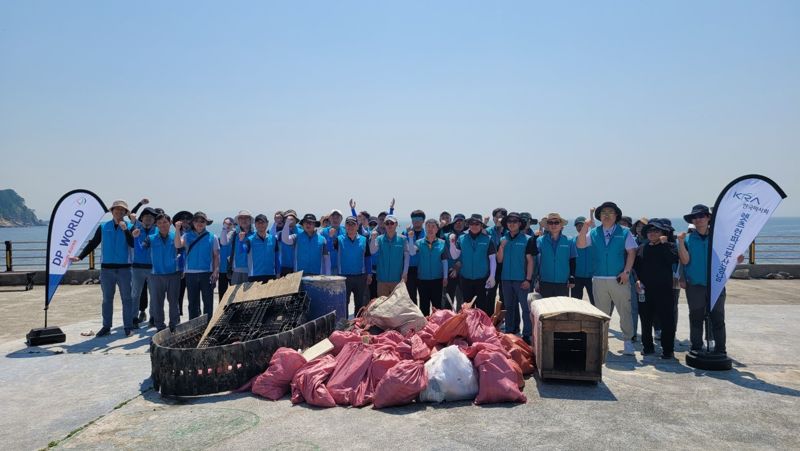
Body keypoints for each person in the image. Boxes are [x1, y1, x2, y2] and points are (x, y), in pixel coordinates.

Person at [678, 204, 743, 354]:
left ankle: (721, 349)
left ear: (708, 218)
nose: (698, 219)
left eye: (701, 216)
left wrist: (738, 258)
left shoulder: (719, 238)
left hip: (716, 284)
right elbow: (685, 261)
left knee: (718, 317)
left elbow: (732, 257)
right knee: (696, 317)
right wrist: (680, 242)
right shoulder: (687, 239)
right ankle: (696, 346)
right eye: (695, 217)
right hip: (695, 284)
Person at [576, 201, 638, 355]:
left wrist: (627, 272)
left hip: (619, 278)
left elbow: (632, 252)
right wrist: (585, 227)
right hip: (599, 278)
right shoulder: (594, 232)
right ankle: (603, 343)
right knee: (601, 313)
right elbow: (581, 244)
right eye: (604, 213)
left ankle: (627, 341)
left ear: (616, 215)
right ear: (599, 216)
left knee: (625, 310)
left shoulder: (624, 232)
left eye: (610, 212)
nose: (607, 215)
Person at [70, 200, 135, 337]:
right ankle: (106, 326)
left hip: (125, 269)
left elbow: (133, 244)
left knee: (127, 299)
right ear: (112, 211)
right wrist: (80, 257)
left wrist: (125, 230)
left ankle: (128, 326)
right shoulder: (103, 226)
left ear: (125, 213)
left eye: (122, 210)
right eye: (116, 210)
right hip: (107, 269)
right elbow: (93, 243)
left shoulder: (130, 226)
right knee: (107, 299)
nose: (119, 212)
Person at [633, 219, 679, 358]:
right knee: (645, 320)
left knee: (667, 320)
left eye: (656, 231)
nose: (652, 233)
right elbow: (637, 268)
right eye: (650, 231)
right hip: (646, 290)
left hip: (664, 290)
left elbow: (672, 260)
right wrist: (637, 281)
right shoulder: (642, 248)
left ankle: (668, 349)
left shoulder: (669, 246)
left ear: (663, 233)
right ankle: (647, 347)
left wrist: (664, 244)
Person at [496, 212, 537, 343]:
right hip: (506, 279)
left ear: (520, 224)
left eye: (515, 221)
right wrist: (501, 247)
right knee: (509, 307)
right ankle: (509, 331)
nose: (512, 224)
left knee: (525, 308)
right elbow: (499, 260)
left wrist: (528, 279)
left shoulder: (527, 239)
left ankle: (527, 334)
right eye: (509, 221)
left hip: (522, 280)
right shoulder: (503, 239)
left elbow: (531, 261)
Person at [448, 214, 497, 316]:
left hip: (482, 279)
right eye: (472, 223)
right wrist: (452, 243)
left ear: (481, 225)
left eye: (477, 223)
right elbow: (454, 255)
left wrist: (492, 276)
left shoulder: (488, 239)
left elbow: (492, 259)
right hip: (466, 279)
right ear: (468, 224)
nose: (474, 226)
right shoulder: (461, 238)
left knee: (482, 308)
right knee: (468, 308)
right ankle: (469, 330)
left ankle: (480, 330)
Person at [175, 212, 219, 320]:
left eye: (202, 221)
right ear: (193, 222)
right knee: (193, 303)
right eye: (197, 221)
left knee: (208, 302)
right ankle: (193, 326)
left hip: (207, 273)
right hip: (190, 274)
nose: (199, 223)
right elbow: (177, 245)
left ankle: (207, 325)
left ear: (206, 223)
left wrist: (215, 271)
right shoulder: (186, 235)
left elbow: (216, 256)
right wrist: (177, 229)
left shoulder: (212, 237)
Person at [143, 212, 180, 331]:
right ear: (156, 225)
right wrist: (135, 236)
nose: (162, 225)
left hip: (173, 274)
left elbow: (182, 253)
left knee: (173, 302)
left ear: (170, 223)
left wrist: (182, 269)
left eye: (165, 222)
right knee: (157, 303)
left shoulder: (176, 236)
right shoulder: (151, 238)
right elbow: (140, 249)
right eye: (159, 223)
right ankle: (160, 326)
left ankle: (174, 324)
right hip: (156, 275)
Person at [330, 216, 372, 315]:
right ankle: (344, 325)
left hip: (360, 276)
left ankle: (356, 325)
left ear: (357, 226)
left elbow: (368, 257)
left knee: (360, 303)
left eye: (353, 224)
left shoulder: (364, 239)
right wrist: (331, 237)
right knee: (344, 302)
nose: (350, 226)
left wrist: (369, 273)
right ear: (345, 226)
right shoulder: (339, 239)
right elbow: (329, 250)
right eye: (348, 224)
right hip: (344, 277)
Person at [407, 218, 448, 315]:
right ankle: (425, 328)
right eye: (428, 226)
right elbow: (412, 253)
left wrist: (445, 277)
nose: (430, 229)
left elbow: (444, 261)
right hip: (423, 279)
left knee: (437, 306)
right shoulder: (419, 242)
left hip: (437, 279)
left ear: (437, 229)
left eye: (433, 227)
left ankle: (437, 328)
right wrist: (411, 239)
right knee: (424, 306)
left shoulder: (442, 243)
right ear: (425, 228)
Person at [536, 213, 577, 298]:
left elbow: (572, 260)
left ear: (561, 225)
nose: (553, 225)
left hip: (563, 282)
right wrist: (536, 281)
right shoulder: (540, 241)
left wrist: (572, 277)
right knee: (546, 310)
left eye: (556, 222)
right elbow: (536, 262)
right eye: (550, 222)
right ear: (547, 225)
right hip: (545, 281)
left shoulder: (569, 241)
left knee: (561, 309)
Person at [129, 206, 157, 327]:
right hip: (137, 267)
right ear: (142, 218)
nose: (149, 219)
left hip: (152, 267)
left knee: (154, 294)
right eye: (146, 217)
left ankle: (153, 317)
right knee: (135, 294)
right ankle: (133, 318)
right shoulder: (135, 228)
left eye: (151, 217)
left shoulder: (157, 231)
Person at [369, 215, 409, 297]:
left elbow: (407, 258)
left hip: (397, 279)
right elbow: (372, 251)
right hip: (382, 279)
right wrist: (373, 239)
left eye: (392, 223)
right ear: (384, 225)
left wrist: (405, 273)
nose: (389, 225)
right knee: (383, 305)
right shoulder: (379, 239)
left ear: (396, 224)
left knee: (397, 306)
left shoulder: (403, 239)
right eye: (387, 223)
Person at [240, 214, 280, 282]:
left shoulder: (273, 239)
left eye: (263, 222)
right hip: (254, 276)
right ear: (255, 225)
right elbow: (242, 251)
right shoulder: (249, 240)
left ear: (267, 223)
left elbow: (277, 258)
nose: (260, 225)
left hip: (271, 275)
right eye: (258, 223)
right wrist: (241, 241)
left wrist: (278, 272)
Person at [219, 210, 255, 284]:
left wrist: (241, 241)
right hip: (236, 270)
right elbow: (223, 242)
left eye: (246, 218)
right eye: (241, 218)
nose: (243, 220)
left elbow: (244, 250)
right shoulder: (234, 234)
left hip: (251, 271)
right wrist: (224, 227)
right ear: (238, 221)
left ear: (250, 220)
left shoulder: (255, 234)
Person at [403, 209, 426, 304]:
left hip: (423, 269)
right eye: (414, 219)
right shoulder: (405, 233)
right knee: (411, 297)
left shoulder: (427, 234)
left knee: (424, 296)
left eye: (419, 219)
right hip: (410, 269)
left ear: (423, 220)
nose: (416, 221)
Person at [571, 216, 595, 305]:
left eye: (582, 225)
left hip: (592, 277)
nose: (580, 227)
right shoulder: (573, 241)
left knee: (595, 303)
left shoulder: (593, 240)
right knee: (576, 303)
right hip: (577, 276)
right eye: (578, 225)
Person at [487, 208, 507, 306]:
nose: (499, 219)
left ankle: (501, 319)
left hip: (505, 267)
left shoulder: (509, 232)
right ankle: (490, 318)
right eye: (496, 217)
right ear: (493, 218)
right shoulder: (488, 231)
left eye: (501, 217)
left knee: (503, 295)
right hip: (491, 267)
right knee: (490, 294)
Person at [322, 209, 346, 275]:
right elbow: (324, 249)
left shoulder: (346, 231)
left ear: (341, 219)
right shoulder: (323, 232)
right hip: (327, 268)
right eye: (333, 217)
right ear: (329, 219)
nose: (335, 219)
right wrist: (329, 237)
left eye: (337, 217)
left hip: (342, 268)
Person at [217, 217, 234, 299]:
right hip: (222, 270)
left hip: (233, 270)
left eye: (230, 224)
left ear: (233, 225)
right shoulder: (219, 239)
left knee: (233, 295)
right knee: (222, 295)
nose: (228, 226)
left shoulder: (235, 238)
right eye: (226, 224)